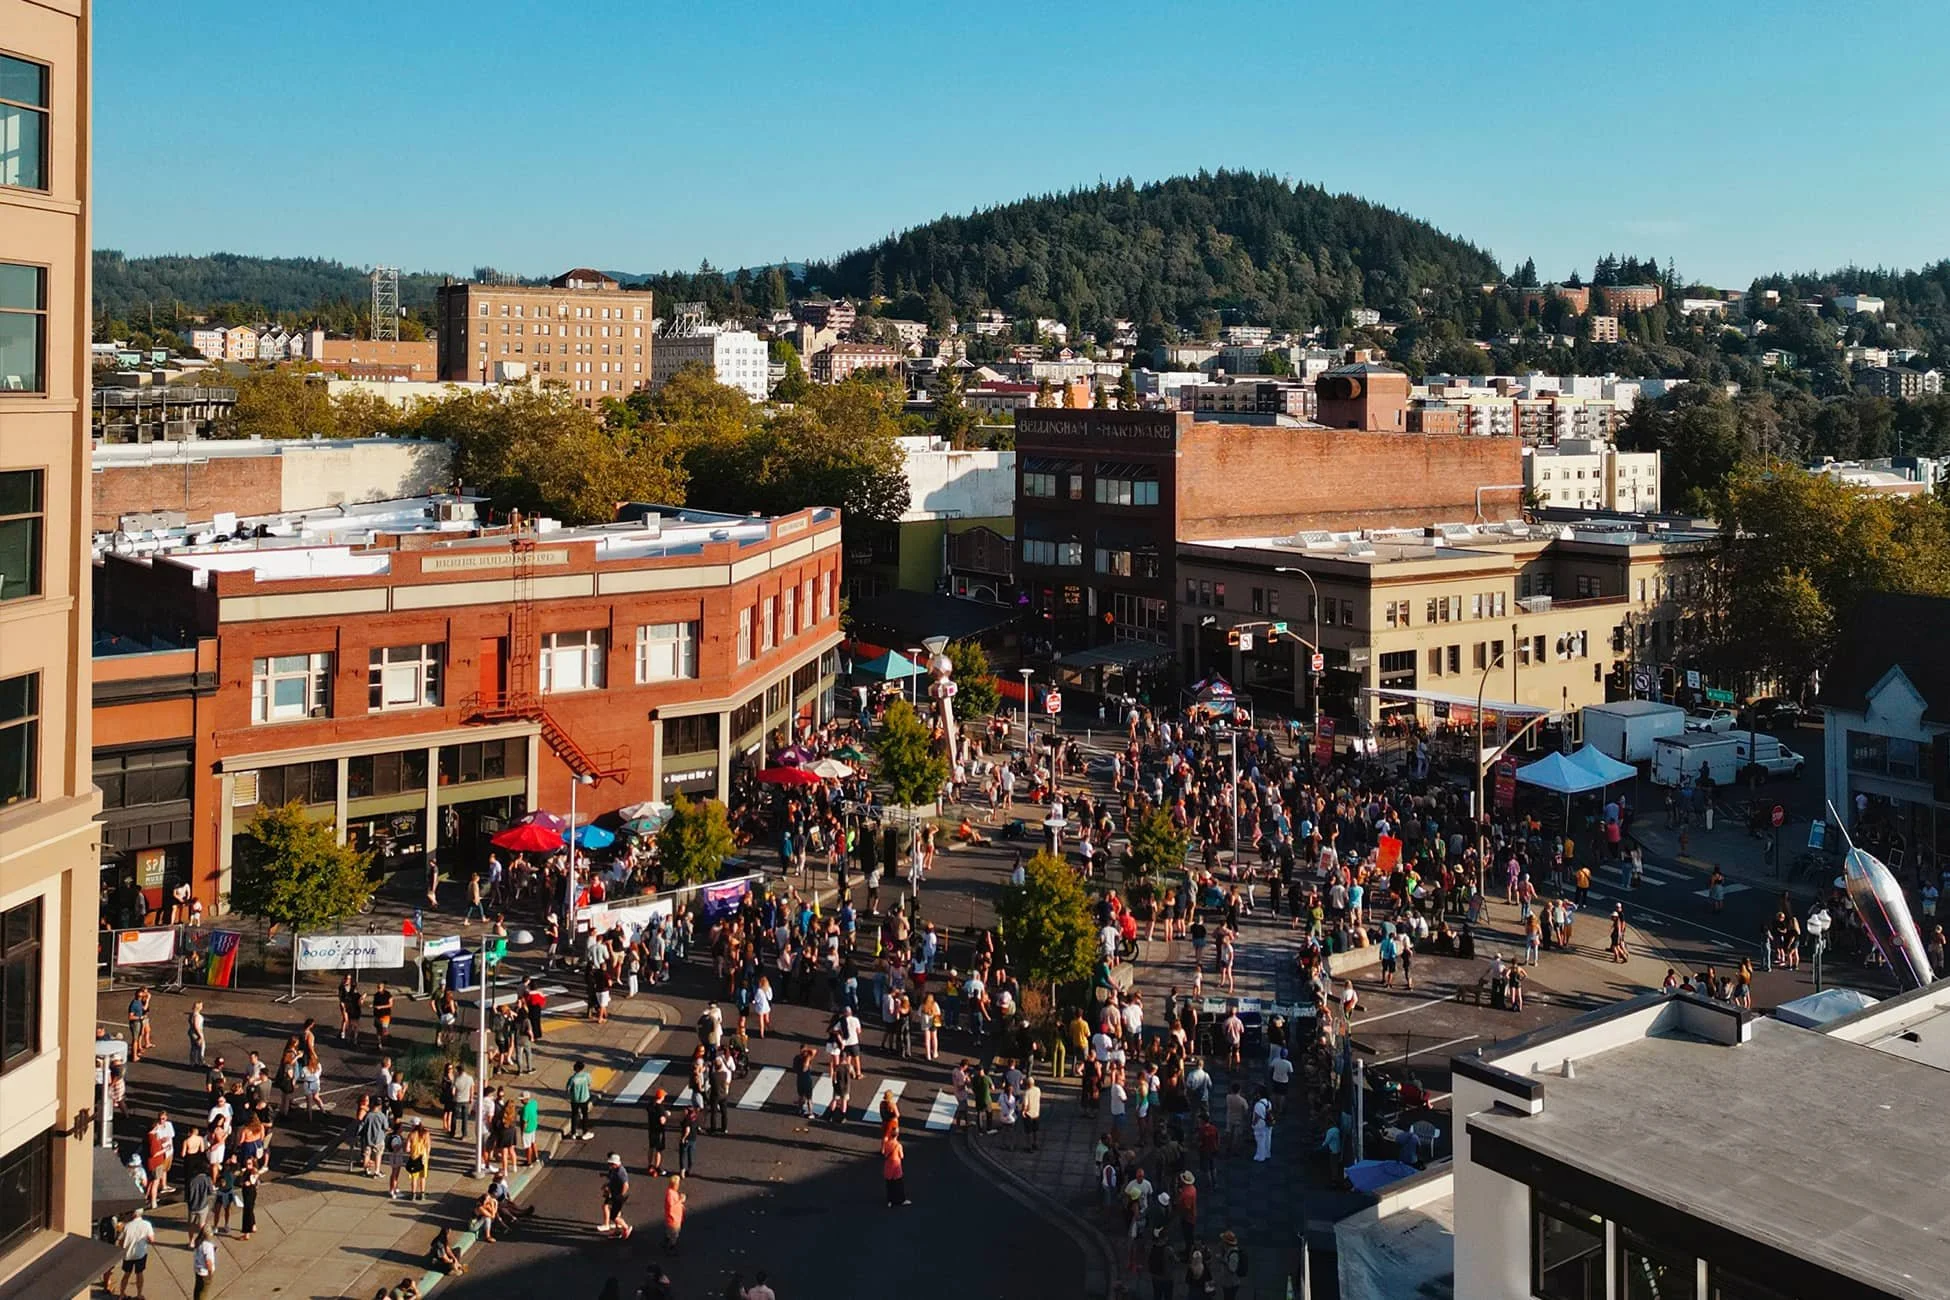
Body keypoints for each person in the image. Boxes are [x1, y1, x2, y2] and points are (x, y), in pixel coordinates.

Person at [116, 1206, 155, 1299]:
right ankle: (139, 1294)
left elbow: (120, 1240)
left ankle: (122, 1294)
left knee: (126, 1274)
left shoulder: (127, 1226)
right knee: (139, 1274)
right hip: (140, 1253)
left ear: (134, 1214)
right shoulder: (146, 1224)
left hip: (128, 1254)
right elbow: (151, 1239)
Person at [600, 1154, 632, 1237]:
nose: (609, 1166)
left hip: (618, 1196)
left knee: (614, 1216)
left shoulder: (621, 1172)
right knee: (615, 1213)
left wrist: (621, 1195)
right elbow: (613, 1180)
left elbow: (626, 1185)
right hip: (615, 1194)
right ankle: (618, 1231)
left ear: (615, 1164)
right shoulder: (615, 1170)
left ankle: (626, 1227)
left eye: (611, 1164)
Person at [568, 1058, 596, 1140]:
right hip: (584, 1098)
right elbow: (589, 1083)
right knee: (585, 1115)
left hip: (575, 1100)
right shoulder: (586, 1075)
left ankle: (573, 1132)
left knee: (574, 1115)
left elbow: (568, 1089)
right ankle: (585, 1131)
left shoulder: (573, 1078)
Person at [882, 1128, 910, 1206]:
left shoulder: (887, 1143)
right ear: (897, 1135)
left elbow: (884, 1153)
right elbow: (901, 1156)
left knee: (889, 1183)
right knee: (899, 1183)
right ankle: (901, 1200)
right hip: (896, 1166)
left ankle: (890, 1200)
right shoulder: (898, 1145)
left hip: (888, 1165)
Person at [190, 1226, 218, 1299]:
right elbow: (208, 1262)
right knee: (203, 1292)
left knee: (197, 1289)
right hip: (205, 1272)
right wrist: (210, 1272)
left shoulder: (198, 1241)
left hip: (197, 1270)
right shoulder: (208, 1246)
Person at [662, 1172, 686, 1252]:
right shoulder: (670, 1194)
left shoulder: (671, 1192)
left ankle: (667, 1241)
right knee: (674, 1235)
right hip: (673, 1220)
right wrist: (681, 1200)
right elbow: (672, 1207)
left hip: (671, 1219)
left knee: (669, 1232)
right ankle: (671, 1247)